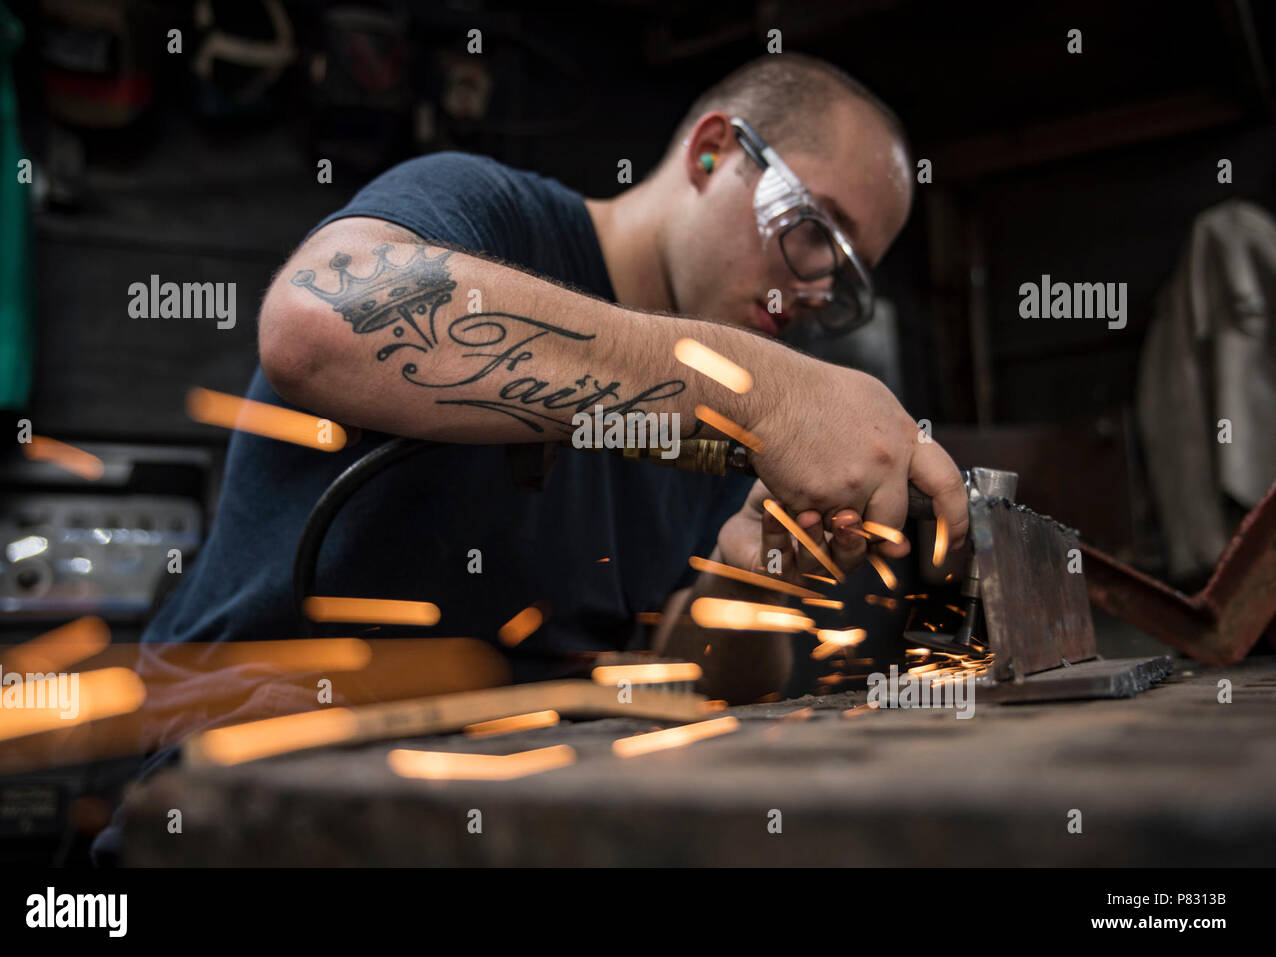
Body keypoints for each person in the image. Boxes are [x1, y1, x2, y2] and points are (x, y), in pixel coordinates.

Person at [147, 52, 968, 708]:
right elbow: (315, 323)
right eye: (813, 229)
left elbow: (696, 682)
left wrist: (752, 578)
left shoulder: (738, 407)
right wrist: (760, 389)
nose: (819, 288)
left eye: (848, 281)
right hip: (235, 781)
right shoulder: (484, 210)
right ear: (712, 150)